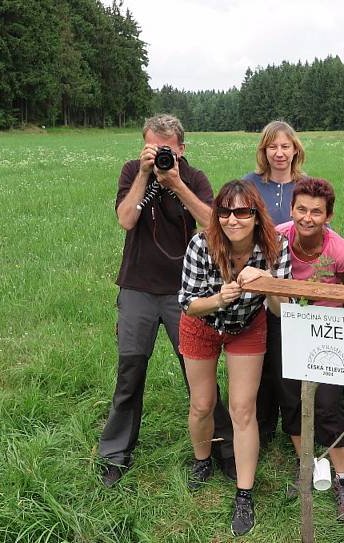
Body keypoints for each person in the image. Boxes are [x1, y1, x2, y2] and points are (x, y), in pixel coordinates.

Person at [97, 114, 235, 488]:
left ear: (181, 149)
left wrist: (174, 182)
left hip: (185, 294)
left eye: (167, 150)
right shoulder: (131, 172)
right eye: (152, 147)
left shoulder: (195, 177)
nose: (159, 154)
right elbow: (126, 220)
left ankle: (222, 449)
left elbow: (212, 225)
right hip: (138, 288)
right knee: (130, 374)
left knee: (200, 377)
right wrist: (145, 176)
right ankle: (114, 454)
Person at [178, 179, 291, 537]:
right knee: (202, 404)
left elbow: (282, 309)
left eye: (242, 212)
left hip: (247, 327)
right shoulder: (201, 244)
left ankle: (244, 492)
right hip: (202, 324)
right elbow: (190, 304)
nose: (232, 219)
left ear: (257, 215)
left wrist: (268, 282)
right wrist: (219, 299)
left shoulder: (275, 248)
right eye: (224, 212)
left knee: (243, 408)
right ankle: (201, 461)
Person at [275, 177, 344, 523]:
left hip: (327, 331)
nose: (307, 217)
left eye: (316, 211)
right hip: (289, 325)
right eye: (301, 209)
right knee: (293, 400)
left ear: (327, 215)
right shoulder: (278, 237)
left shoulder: (337, 249)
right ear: (291, 209)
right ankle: (307, 469)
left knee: (328, 403)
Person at [243, 120, 307, 443]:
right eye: (272, 147)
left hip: (292, 285)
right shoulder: (250, 185)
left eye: (285, 146)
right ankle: (261, 426)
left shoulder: (306, 185)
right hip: (255, 282)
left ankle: (295, 423)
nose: (279, 153)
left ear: (295, 149)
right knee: (260, 357)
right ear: (264, 151)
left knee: (287, 356)